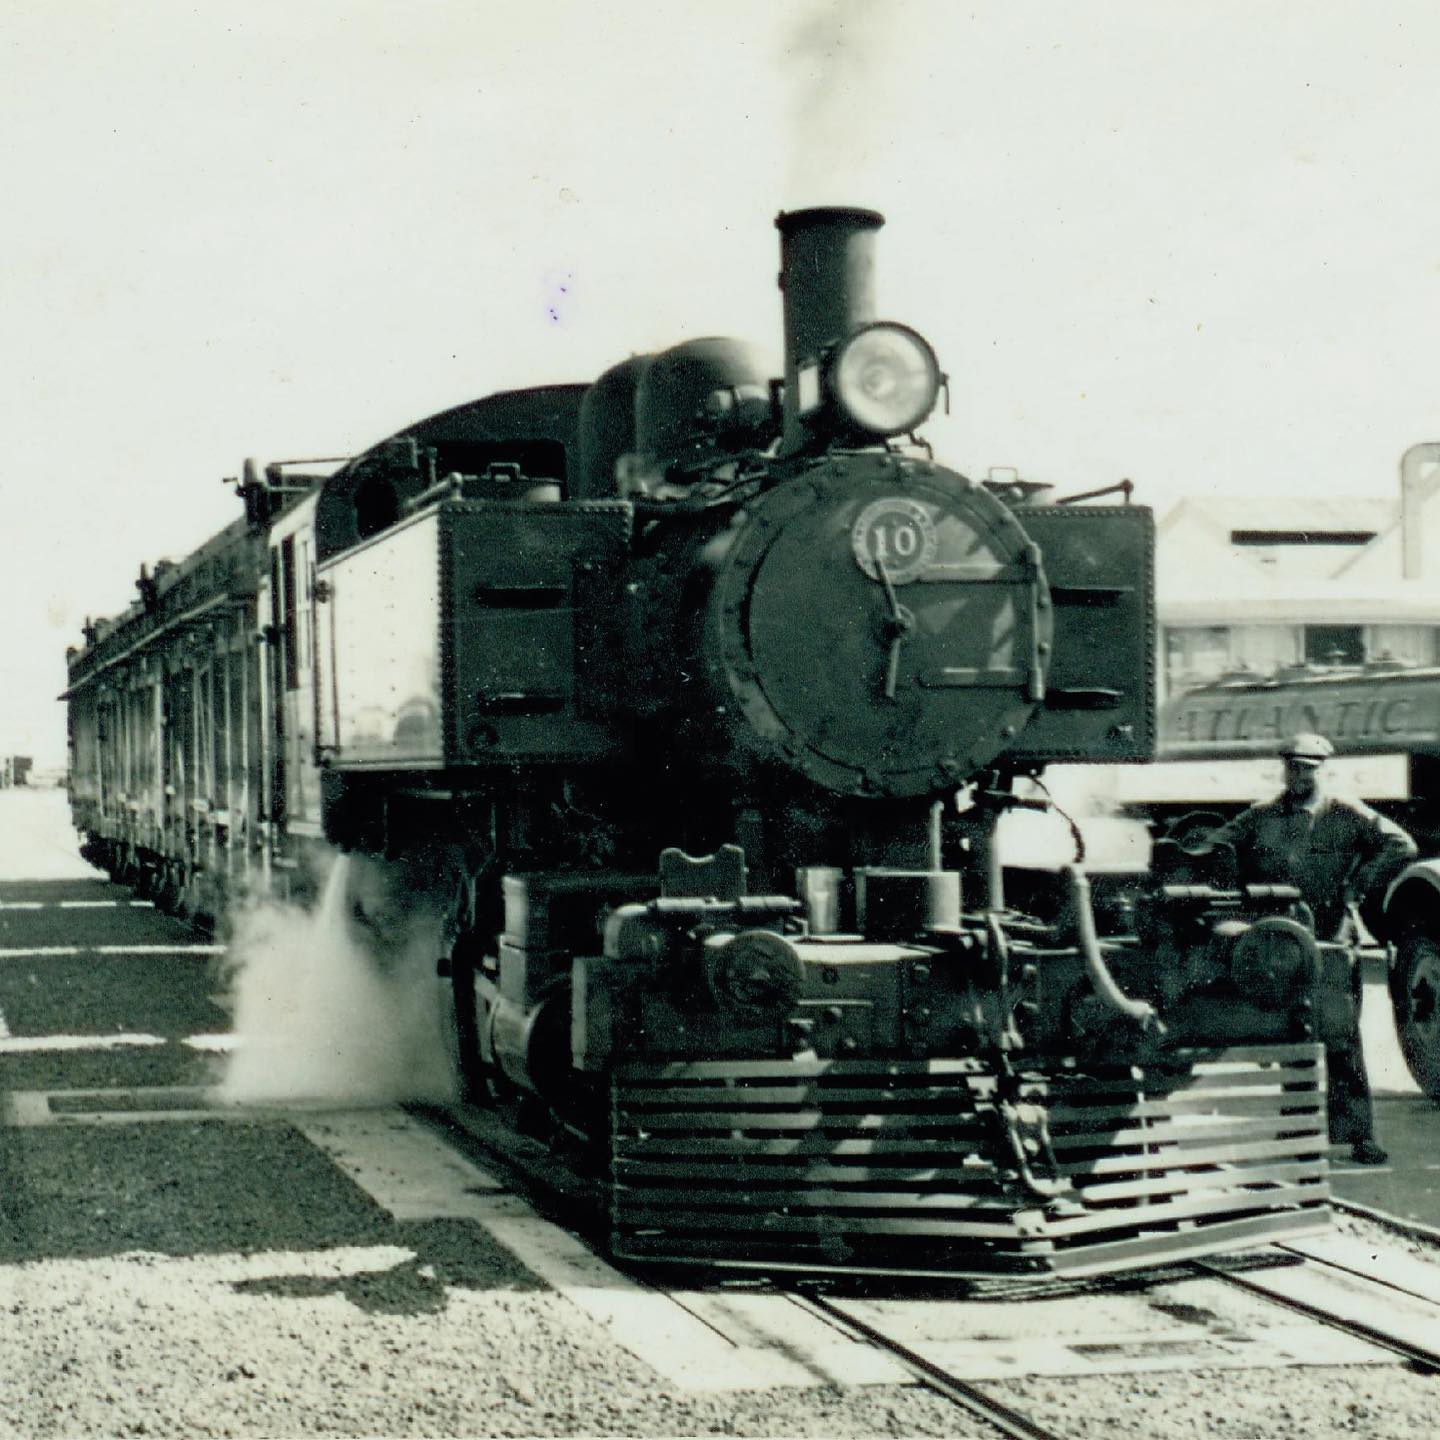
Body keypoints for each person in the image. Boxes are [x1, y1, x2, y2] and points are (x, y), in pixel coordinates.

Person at [1211, 732, 1417, 1165]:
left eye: (1308, 766)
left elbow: (1400, 844)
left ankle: (1359, 1136)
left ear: (1324, 768)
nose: (1299, 773)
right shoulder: (1261, 816)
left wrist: (1358, 883)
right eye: (1292, 765)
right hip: (1282, 943)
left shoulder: (1346, 813)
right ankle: (1299, 1134)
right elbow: (1218, 844)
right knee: (1291, 1035)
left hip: (1331, 938)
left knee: (1341, 1037)